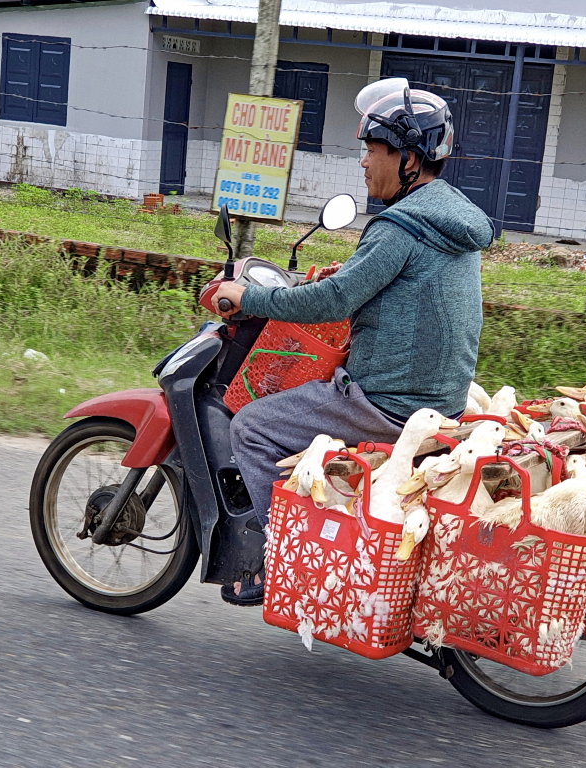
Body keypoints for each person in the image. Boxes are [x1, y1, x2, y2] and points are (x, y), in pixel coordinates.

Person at [212, 78, 494, 605]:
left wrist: (247, 296)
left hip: (387, 404)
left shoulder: (400, 227)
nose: (364, 163)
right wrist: (352, 277)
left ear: (407, 157)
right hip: (438, 400)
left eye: (373, 150)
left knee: (251, 427)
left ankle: (287, 560)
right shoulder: (449, 220)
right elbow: (403, 288)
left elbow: (331, 302)